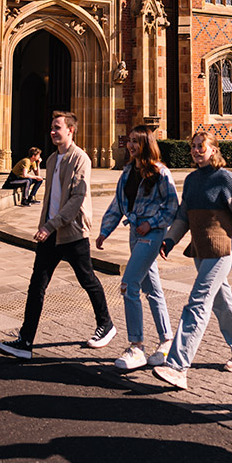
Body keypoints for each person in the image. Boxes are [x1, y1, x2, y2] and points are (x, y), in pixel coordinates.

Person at [152, 131, 232, 390]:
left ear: (214, 149)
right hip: (201, 250)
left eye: (201, 146)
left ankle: (178, 366)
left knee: (198, 302)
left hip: (222, 249)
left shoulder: (224, 178)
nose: (196, 150)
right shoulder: (192, 180)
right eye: (193, 146)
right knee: (220, 302)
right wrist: (170, 241)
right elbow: (183, 216)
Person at [0, 111, 115, 359]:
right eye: (52, 127)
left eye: (58, 127)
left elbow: (76, 199)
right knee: (36, 286)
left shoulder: (81, 159)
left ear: (70, 130)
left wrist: (50, 226)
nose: (53, 131)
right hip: (50, 234)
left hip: (72, 232)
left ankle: (107, 325)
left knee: (87, 280)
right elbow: (50, 199)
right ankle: (25, 342)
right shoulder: (50, 160)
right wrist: (44, 226)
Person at [96, 125, 179, 370]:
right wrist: (104, 231)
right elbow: (118, 204)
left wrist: (151, 223)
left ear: (146, 143)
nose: (130, 145)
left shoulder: (161, 173)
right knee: (152, 288)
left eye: (136, 141)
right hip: (135, 234)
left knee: (129, 284)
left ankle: (136, 346)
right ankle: (167, 341)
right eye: (129, 140)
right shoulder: (128, 171)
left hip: (151, 235)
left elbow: (172, 206)